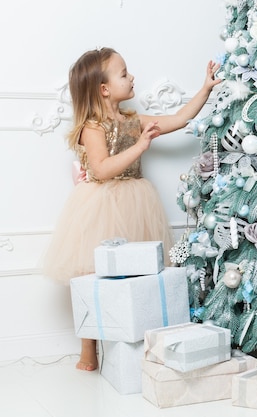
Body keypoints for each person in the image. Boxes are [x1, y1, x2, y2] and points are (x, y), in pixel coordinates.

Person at [42, 47, 221, 371]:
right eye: (124, 73)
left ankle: (139, 341)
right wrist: (140, 145)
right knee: (92, 275)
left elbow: (179, 119)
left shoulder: (131, 120)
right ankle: (88, 350)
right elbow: (101, 169)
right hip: (101, 205)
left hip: (137, 204)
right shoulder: (93, 128)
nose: (132, 76)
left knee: (140, 274)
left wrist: (205, 88)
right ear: (104, 89)